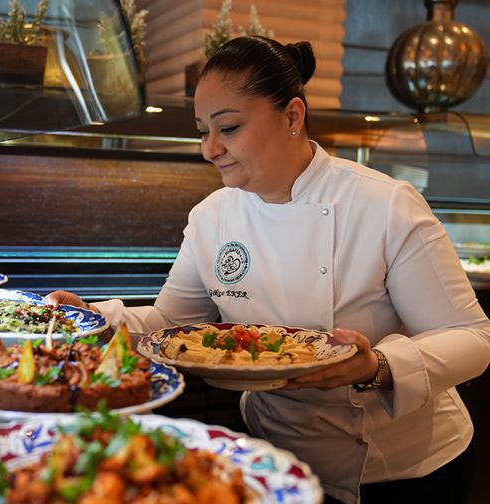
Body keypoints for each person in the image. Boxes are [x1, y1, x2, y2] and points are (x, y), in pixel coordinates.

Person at [46, 36, 490, 503]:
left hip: (401, 472)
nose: (210, 149)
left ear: (293, 116)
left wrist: (376, 366)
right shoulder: (212, 216)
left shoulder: (383, 205)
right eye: (203, 131)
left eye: (229, 128)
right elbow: (170, 326)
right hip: (272, 457)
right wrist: (94, 320)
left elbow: (471, 337)